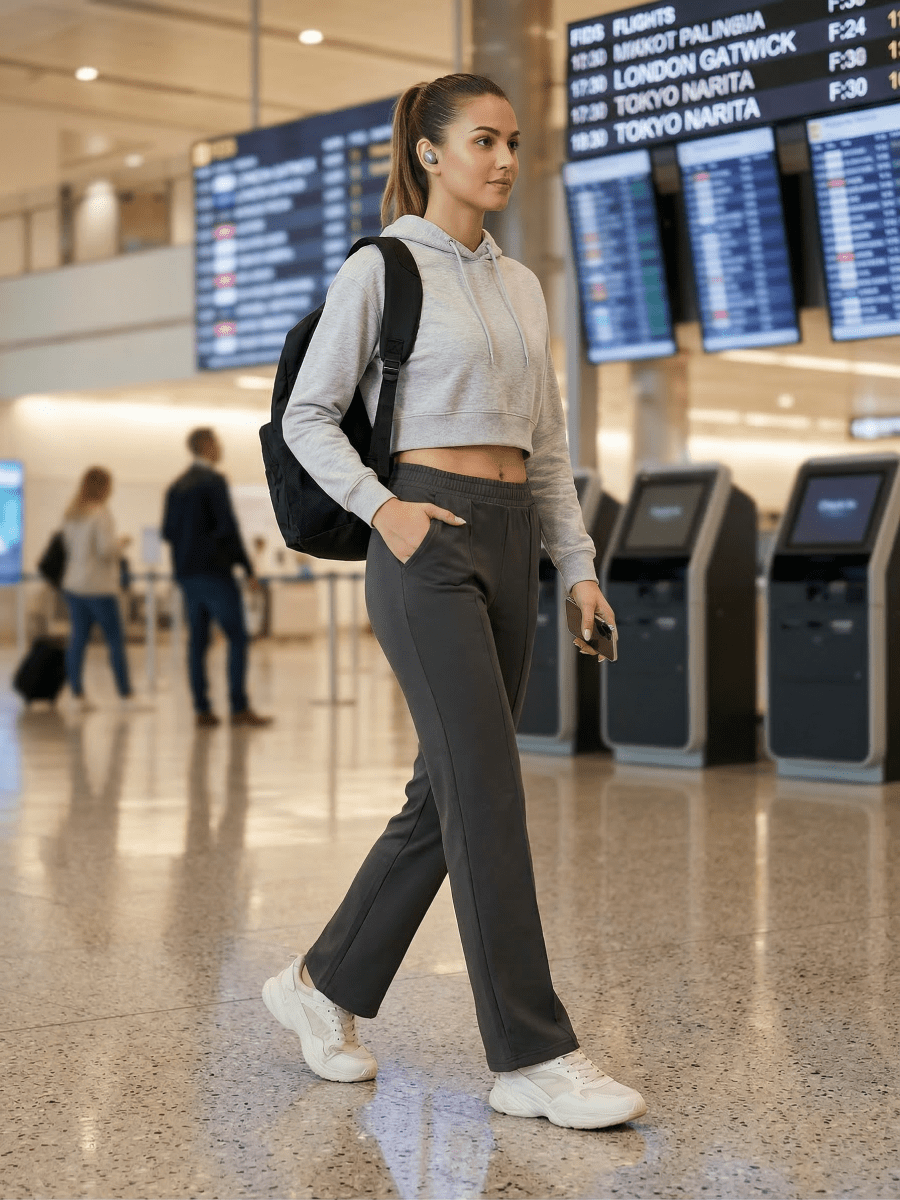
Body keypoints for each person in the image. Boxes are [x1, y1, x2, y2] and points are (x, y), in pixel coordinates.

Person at [262, 74, 647, 1131]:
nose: (504, 161)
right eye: (483, 140)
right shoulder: (382, 267)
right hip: (423, 536)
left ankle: (320, 985)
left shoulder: (523, 286)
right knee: (486, 788)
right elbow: (309, 416)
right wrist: (386, 510)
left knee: (447, 794)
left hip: (513, 533)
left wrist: (577, 565)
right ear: (430, 153)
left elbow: (551, 448)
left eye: (514, 143)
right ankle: (531, 1052)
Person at [162, 428, 272, 728]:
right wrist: (248, 569)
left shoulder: (176, 487)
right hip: (214, 574)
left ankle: (202, 709)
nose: (220, 447)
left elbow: (168, 532)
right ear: (206, 446)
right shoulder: (213, 481)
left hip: (187, 575)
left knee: (197, 642)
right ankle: (238, 707)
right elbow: (227, 528)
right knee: (237, 637)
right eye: (217, 442)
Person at [60, 466, 135, 710]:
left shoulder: (72, 513)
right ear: (102, 487)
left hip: (74, 585)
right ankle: (125, 695)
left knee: (78, 641)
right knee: (114, 641)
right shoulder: (101, 513)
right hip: (99, 588)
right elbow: (106, 551)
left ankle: (77, 695)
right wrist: (121, 544)